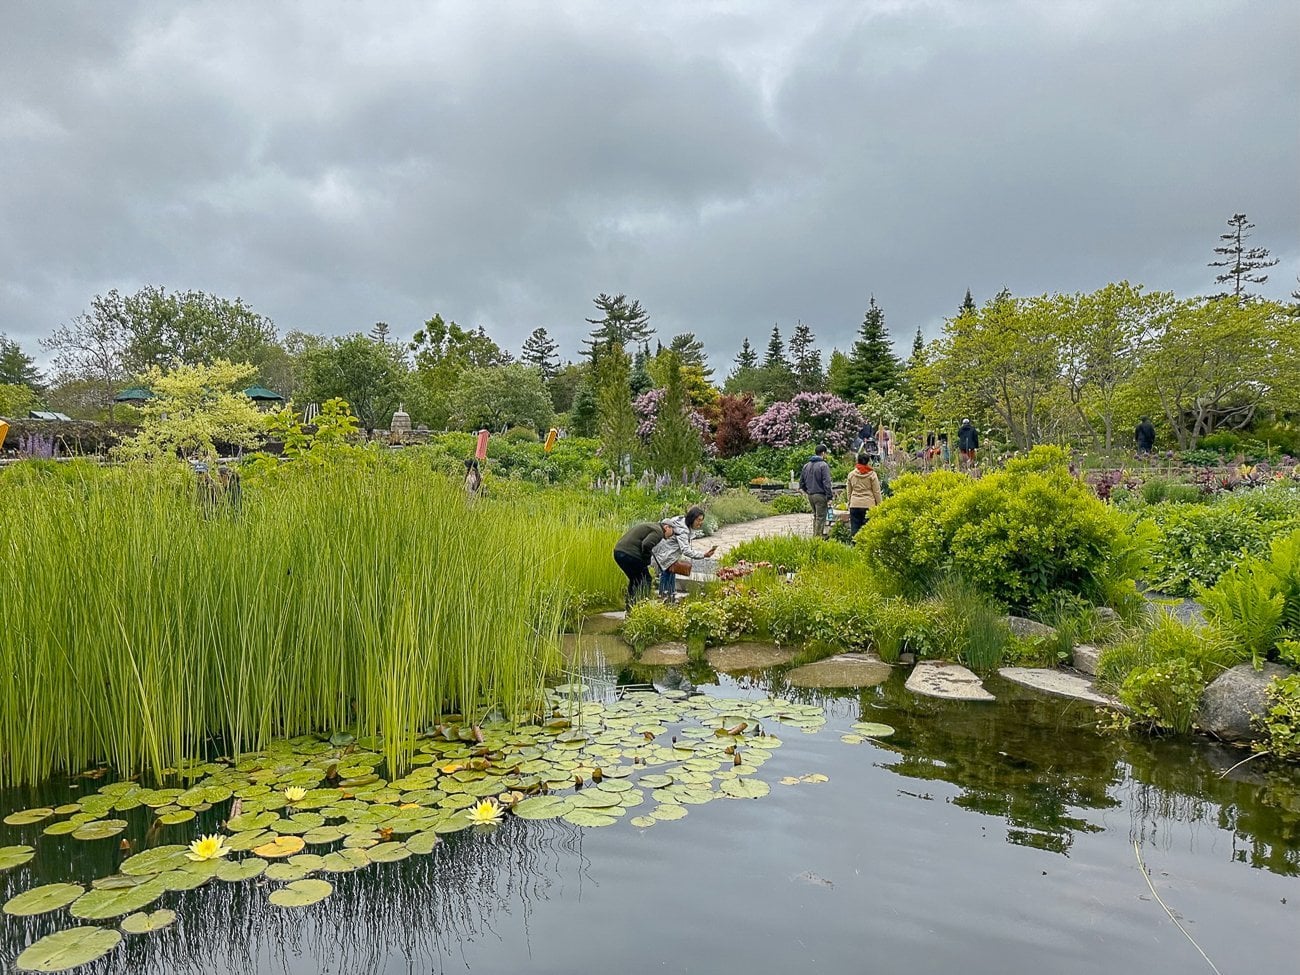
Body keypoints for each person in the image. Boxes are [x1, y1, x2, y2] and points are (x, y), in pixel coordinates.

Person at [652, 507, 718, 602]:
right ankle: (665, 600)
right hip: (664, 555)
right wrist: (703, 555)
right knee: (666, 576)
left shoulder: (680, 520)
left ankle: (669, 599)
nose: (700, 523)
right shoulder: (682, 530)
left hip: (664, 553)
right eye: (698, 520)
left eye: (702, 520)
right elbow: (686, 550)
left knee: (670, 573)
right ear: (692, 518)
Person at [613, 520, 672, 610]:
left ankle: (631, 605)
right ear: (667, 527)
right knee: (646, 579)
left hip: (618, 552)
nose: (670, 537)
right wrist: (646, 560)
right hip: (630, 554)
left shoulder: (652, 526)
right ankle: (641, 606)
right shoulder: (659, 532)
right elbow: (646, 544)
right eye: (672, 533)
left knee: (635, 579)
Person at [842, 453, 883, 538]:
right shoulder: (872, 474)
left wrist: (849, 502)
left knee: (855, 529)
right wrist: (880, 505)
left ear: (858, 461)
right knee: (868, 530)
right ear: (868, 462)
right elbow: (876, 491)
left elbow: (849, 491)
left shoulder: (851, 474)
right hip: (868, 505)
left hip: (855, 504)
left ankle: (855, 548)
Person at [798, 445, 834, 539]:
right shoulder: (823, 465)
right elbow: (827, 482)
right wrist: (829, 496)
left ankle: (815, 535)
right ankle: (818, 537)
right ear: (823, 453)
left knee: (816, 516)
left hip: (810, 495)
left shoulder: (806, 465)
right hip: (820, 494)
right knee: (821, 517)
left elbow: (801, 482)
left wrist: (808, 491)